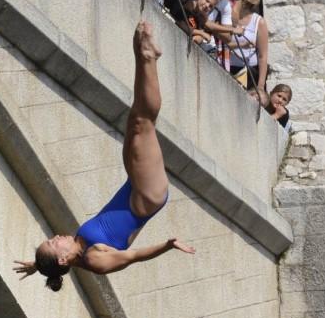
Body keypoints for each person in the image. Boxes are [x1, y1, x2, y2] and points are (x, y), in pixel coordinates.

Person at [13, 22, 195, 291]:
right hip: (146, 197)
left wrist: (38, 265)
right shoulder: (95, 261)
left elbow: (57, 261)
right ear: (63, 257)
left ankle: (144, 55)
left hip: (133, 188)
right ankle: (146, 56)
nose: (55, 236)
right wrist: (166, 246)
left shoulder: (76, 248)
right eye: (53, 242)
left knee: (136, 121)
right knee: (142, 122)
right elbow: (133, 256)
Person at [227, 0, 269, 91]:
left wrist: (260, 86)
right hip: (228, 66)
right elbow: (222, 42)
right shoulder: (228, 15)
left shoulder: (258, 22)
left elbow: (263, 55)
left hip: (248, 72)